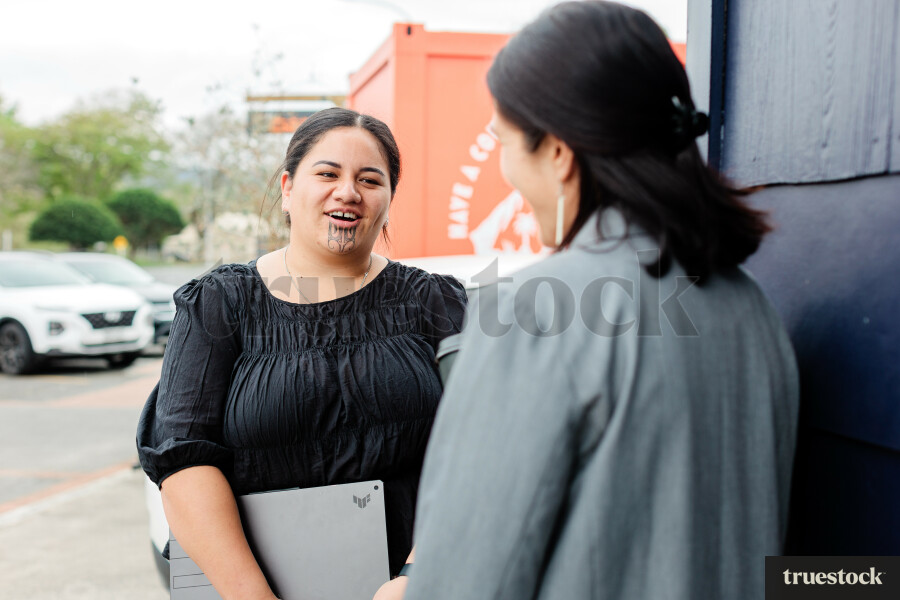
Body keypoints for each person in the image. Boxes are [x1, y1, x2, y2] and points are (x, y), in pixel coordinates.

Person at [384, 2, 800, 600]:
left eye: (506, 143)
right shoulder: (750, 304)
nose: (505, 172)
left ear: (557, 151)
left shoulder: (534, 311)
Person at [137, 107, 467, 599]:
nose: (348, 192)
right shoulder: (219, 303)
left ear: (389, 200)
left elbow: (478, 443)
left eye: (370, 180)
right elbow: (183, 460)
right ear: (289, 188)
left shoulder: (435, 302)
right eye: (328, 173)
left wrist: (418, 576)